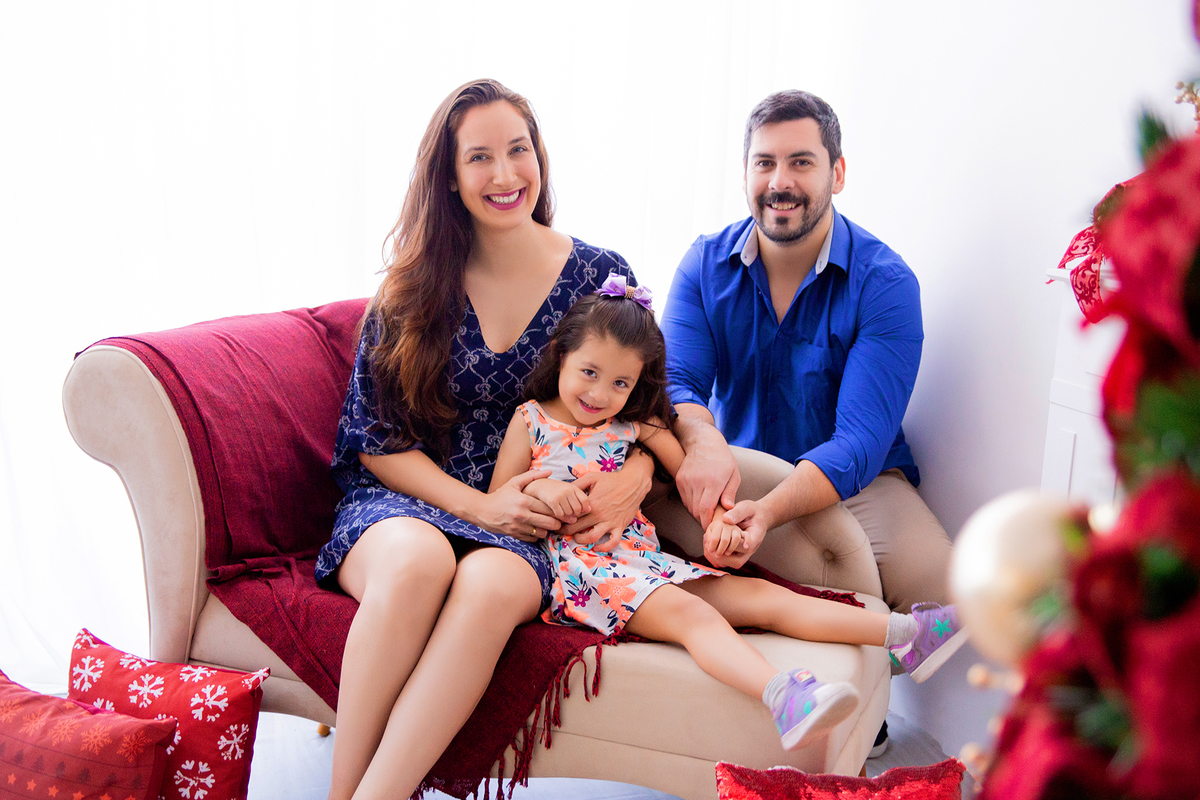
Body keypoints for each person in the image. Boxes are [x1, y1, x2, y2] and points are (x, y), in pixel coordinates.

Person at [313, 80, 656, 800]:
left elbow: (651, 404)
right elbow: (375, 440)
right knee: (415, 566)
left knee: (496, 582)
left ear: (540, 156)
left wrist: (641, 472)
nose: (505, 176)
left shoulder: (600, 276)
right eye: (480, 157)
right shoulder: (413, 283)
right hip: (409, 497)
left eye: (518, 150)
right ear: (449, 175)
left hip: (532, 521)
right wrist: (478, 507)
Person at [489, 276, 967, 751]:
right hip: (585, 572)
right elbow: (499, 501)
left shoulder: (634, 425)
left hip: (645, 563)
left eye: (620, 383)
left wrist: (720, 524)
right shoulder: (530, 420)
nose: (599, 394)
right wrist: (546, 491)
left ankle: (907, 634)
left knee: (760, 595)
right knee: (693, 616)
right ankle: (784, 696)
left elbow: (691, 483)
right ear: (560, 356)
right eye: (589, 372)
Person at [659, 90, 954, 757]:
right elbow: (677, 385)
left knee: (942, 584)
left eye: (801, 162)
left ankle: (863, 687)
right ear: (744, 175)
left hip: (856, 477)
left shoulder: (884, 282)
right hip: (743, 467)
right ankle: (808, 695)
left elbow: (858, 442)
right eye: (764, 163)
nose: (780, 182)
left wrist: (768, 514)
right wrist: (708, 448)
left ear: (837, 173)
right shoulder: (703, 265)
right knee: (818, 571)